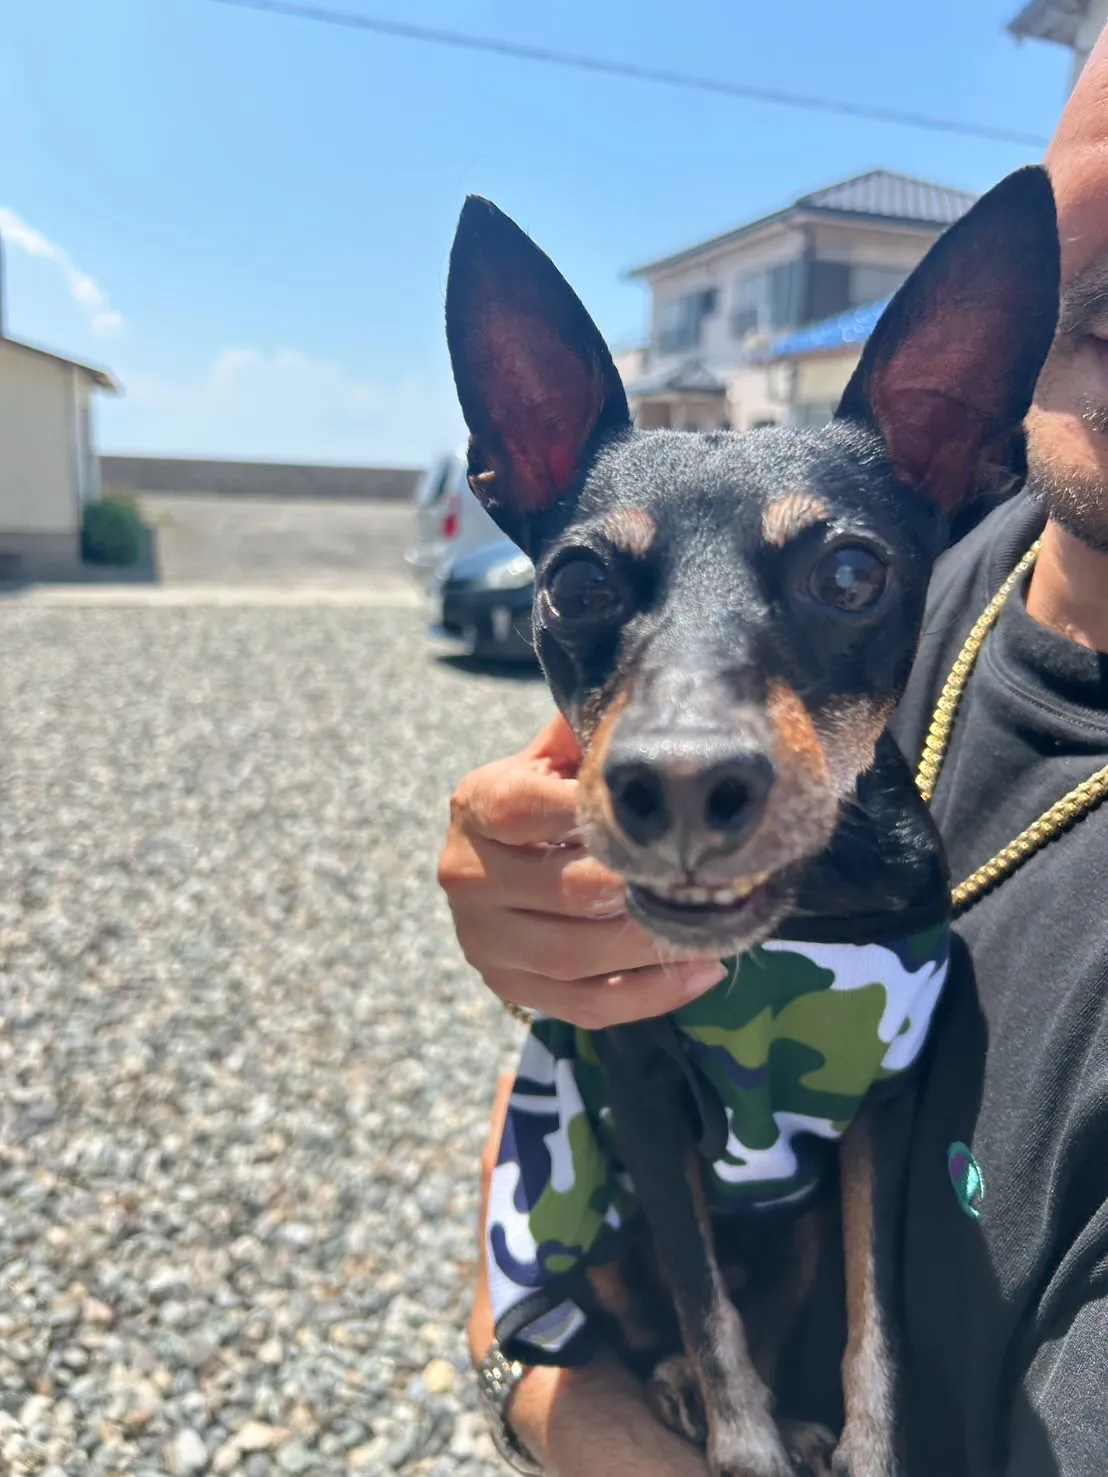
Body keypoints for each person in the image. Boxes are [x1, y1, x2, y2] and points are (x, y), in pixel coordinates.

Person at [439, 30, 1108, 1476]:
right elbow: (582, 1080)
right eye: (585, 584)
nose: (688, 754)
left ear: (959, 444)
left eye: (849, 577)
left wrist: (550, 1400)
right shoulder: (959, 563)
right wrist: (553, 940)